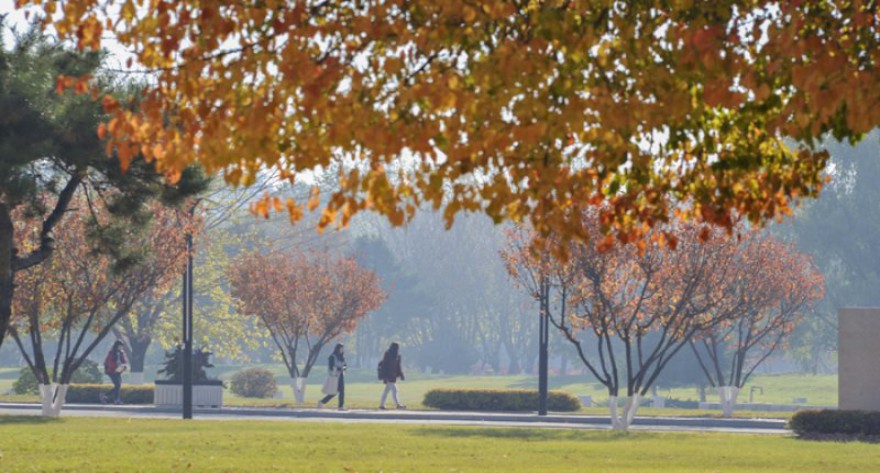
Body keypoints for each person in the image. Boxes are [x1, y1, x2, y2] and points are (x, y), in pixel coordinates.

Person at [318, 344, 346, 410]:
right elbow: (331, 367)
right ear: (338, 348)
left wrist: (344, 368)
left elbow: (344, 365)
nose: (342, 350)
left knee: (342, 391)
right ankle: (322, 402)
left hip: (341, 376)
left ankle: (340, 406)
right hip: (334, 377)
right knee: (333, 392)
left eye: (343, 349)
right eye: (341, 348)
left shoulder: (342, 357)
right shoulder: (332, 357)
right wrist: (339, 369)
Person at [379, 342, 406, 410]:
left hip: (393, 376)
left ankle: (382, 405)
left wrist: (401, 375)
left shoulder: (398, 356)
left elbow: (398, 367)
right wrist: (384, 376)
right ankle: (398, 405)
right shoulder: (388, 354)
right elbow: (384, 365)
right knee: (395, 390)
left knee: (386, 391)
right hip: (388, 376)